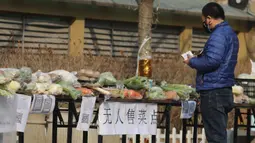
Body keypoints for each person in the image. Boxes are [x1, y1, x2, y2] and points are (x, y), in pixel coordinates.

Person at [184, 2, 239, 143]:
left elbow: (212, 61)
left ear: (209, 18)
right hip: (224, 90)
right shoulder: (231, 33)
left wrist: (192, 61)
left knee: (215, 138)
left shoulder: (218, 35)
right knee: (219, 135)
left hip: (213, 91)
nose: (204, 24)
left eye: (204, 21)